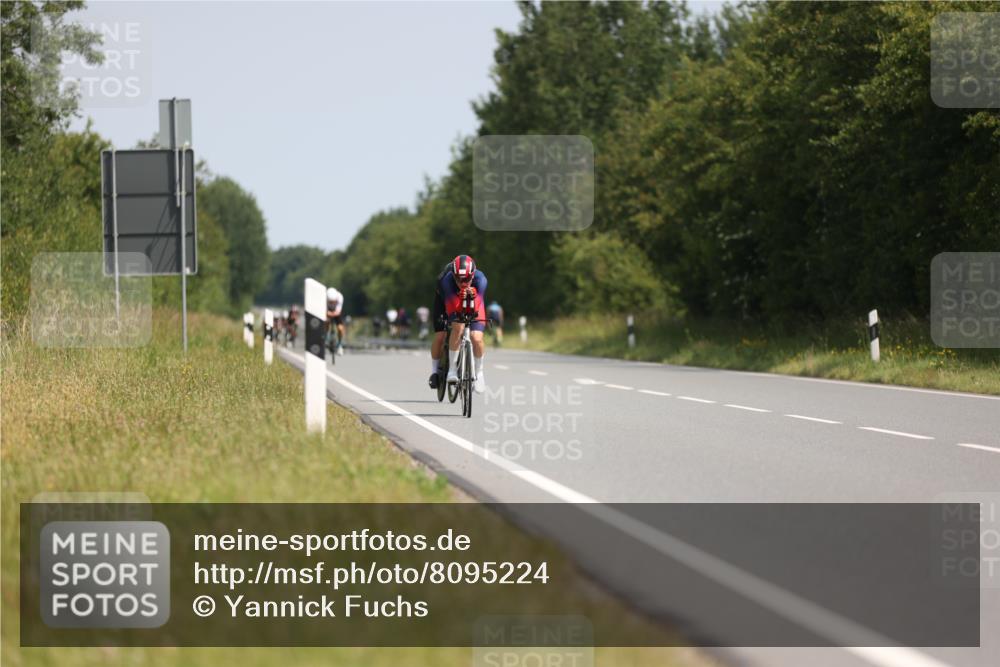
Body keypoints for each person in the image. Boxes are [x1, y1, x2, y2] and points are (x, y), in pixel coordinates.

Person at [429, 254, 487, 393]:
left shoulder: (481, 280)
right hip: (447, 299)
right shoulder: (446, 281)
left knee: (476, 337)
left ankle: (479, 373)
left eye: (466, 279)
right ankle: (445, 371)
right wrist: (460, 307)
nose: (462, 283)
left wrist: (470, 298)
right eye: (458, 279)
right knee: (446, 333)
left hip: (473, 301)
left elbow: (477, 304)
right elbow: (452, 308)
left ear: (472, 276)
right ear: (453, 275)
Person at [326, 287, 345, 356]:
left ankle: (340, 345)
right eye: (330, 302)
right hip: (327, 311)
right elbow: (323, 311)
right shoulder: (323, 297)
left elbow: (338, 312)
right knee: (326, 322)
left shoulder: (340, 297)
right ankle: (326, 337)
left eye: (334, 301)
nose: (332, 303)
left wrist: (330, 313)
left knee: (340, 328)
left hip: (336, 312)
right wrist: (327, 313)